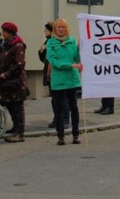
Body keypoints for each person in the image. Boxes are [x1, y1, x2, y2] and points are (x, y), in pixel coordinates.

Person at [46, 17, 83, 145]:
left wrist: (80, 49)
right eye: (58, 27)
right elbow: (54, 61)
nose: (61, 29)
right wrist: (71, 66)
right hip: (58, 80)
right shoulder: (50, 43)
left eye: (63, 27)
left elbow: (77, 58)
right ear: (55, 29)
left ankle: (76, 134)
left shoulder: (71, 41)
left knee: (74, 107)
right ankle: (60, 135)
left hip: (72, 79)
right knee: (58, 108)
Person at [0, 21, 29, 142]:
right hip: (7, 81)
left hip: (16, 81)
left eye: (4, 32)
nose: (3, 34)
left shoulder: (18, 46)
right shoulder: (6, 45)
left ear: (10, 33)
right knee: (10, 104)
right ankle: (15, 128)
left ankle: (20, 132)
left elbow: (19, 64)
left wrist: (7, 74)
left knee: (18, 106)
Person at [38, 22, 71, 128]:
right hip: (50, 73)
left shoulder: (59, 41)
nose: (44, 32)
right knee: (55, 99)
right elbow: (45, 58)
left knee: (62, 98)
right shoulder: (48, 41)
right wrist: (41, 51)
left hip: (59, 73)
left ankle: (65, 119)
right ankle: (57, 118)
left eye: (46, 30)